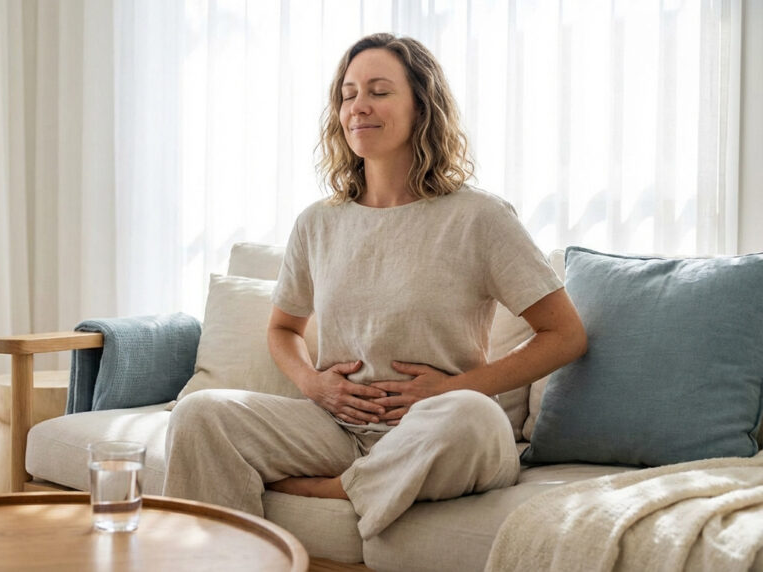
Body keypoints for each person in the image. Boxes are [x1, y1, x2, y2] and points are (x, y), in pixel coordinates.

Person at [162, 33, 587, 540]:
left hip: (441, 428)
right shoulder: (318, 223)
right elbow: (282, 328)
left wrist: (450, 390)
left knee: (472, 418)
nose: (358, 106)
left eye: (379, 91)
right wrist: (312, 384)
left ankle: (342, 489)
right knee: (201, 414)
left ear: (421, 106)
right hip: (336, 431)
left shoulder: (479, 217)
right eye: (348, 94)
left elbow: (565, 334)